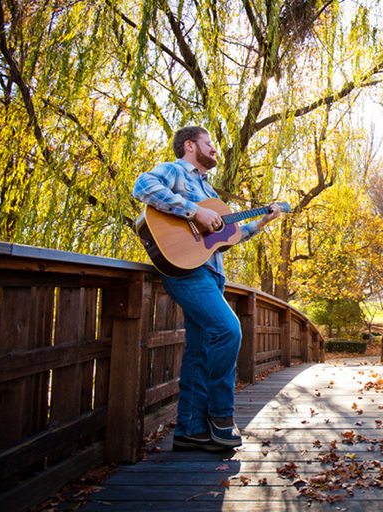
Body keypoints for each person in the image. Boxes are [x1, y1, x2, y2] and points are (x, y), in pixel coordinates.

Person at [133, 126, 282, 452]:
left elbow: (222, 240)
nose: (214, 149)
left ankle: (189, 430)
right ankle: (220, 414)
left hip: (211, 272)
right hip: (185, 272)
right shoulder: (175, 171)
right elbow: (142, 185)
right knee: (229, 330)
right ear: (189, 145)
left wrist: (260, 223)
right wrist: (194, 211)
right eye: (209, 143)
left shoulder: (209, 189)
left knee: (199, 351)